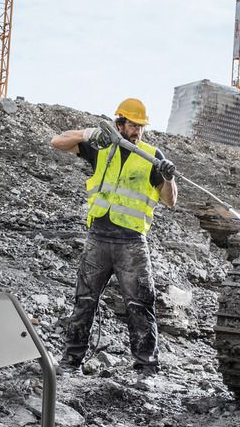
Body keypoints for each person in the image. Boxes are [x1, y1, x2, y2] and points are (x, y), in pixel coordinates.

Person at [50, 98, 178, 375]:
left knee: (140, 303)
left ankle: (146, 368)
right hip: (98, 237)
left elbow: (170, 201)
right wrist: (88, 134)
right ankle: (71, 362)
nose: (137, 132)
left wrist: (168, 177)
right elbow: (57, 142)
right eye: (133, 125)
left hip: (131, 243)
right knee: (84, 300)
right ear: (119, 123)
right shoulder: (102, 147)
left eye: (141, 127)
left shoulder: (151, 156)